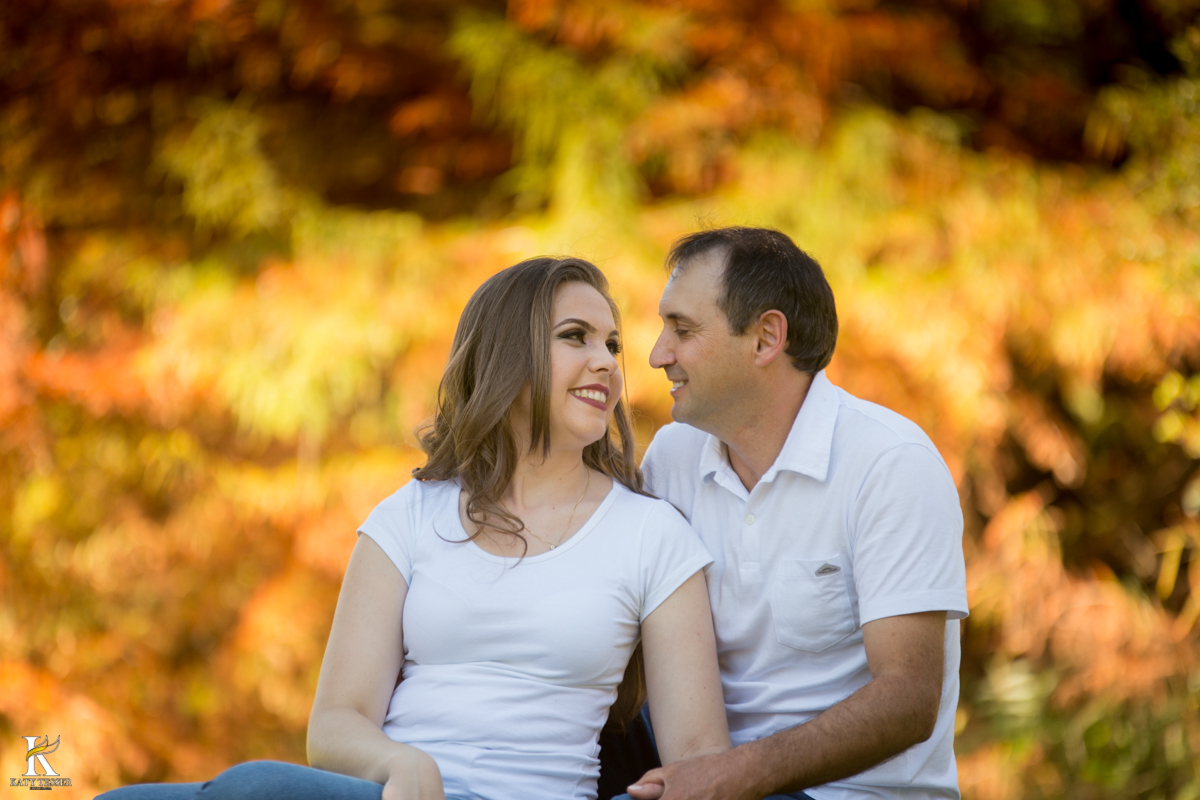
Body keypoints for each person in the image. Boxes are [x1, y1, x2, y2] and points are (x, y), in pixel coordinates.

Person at [98, 257, 731, 800]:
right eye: (577, 337)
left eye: (613, 344)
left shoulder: (653, 535)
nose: (609, 364)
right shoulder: (411, 514)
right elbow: (337, 722)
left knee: (255, 790)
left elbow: (699, 755)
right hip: (389, 793)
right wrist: (399, 761)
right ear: (508, 358)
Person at [623, 228, 968, 800]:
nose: (658, 354)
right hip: (699, 766)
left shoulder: (889, 464)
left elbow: (909, 697)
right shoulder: (672, 457)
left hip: (845, 793)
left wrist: (734, 774)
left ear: (765, 339)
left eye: (682, 330)